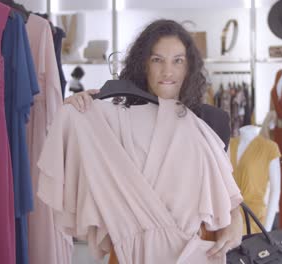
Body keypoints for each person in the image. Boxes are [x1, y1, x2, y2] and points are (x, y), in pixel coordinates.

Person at [63, 19, 243, 261]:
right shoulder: (114, 122)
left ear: (189, 66)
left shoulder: (212, 120)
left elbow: (224, 189)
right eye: (157, 60)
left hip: (195, 250)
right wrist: (74, 112)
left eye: (177, 61)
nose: (168, 72)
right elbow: (84, 175)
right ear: (143, 65)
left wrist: (235, 220)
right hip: (134, 252)